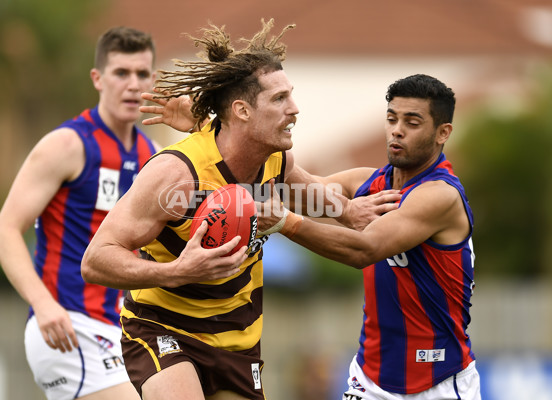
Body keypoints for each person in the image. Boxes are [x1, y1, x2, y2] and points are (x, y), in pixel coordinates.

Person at [81, 19, 399, 400]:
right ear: (242, 111)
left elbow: (310, 192)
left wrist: (350, 211)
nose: (295, 109)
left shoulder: (276, 161)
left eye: (291, 95)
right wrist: (176, 271)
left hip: (237, 342)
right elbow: (95, 260)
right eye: (279, 99)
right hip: (164, 329)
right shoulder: (175, 174)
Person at [259, 74, 481, 400]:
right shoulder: (367, 183)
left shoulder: (440, 196)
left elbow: (365, 249)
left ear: (442, 133)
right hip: (370, 381)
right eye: (392, 119)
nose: (397, 130)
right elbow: (287, 190)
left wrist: (285, 224)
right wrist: (222, 130)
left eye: (412, 122)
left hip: (438, 383)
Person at [0, 26, 161, 400]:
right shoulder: (68, 145)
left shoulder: (155, 156)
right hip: (68, 325)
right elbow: (4, 232)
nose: (133, 84)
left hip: (123, 330)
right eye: (121, 73)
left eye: (142, 73)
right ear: (98, 79)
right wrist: (42, 304)